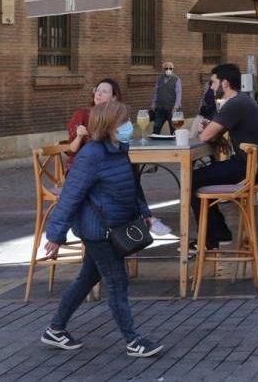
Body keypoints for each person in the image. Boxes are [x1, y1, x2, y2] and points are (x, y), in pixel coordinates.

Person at [40, 101, 163, 358]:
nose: (128, 126)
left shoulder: (120, 149)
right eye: (123, 122)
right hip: (98, 231)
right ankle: (133, 340)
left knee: (87, 277)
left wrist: (145, 212)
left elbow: (132, 185)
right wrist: (55, 234)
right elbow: (71, 195)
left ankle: (55, 328)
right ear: (109, 126)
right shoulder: (91, 155)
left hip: (115, 225)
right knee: (117, 282)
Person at [64, 79, 171, 237]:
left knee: (127, 175)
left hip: (107, 167)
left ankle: (141, 221)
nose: (98, 93)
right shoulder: (83, 114)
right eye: (97, 90)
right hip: (82, 171)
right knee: (123, 179)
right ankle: (142, 221)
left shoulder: (117, 117)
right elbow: (71, 150)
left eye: (104, 91)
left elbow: (124, 141)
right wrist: (80, 136)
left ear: (114, 97)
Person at [195, 63, 258, 249]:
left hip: (252, 168)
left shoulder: (235, 104)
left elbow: (204, 136)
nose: (211, 87)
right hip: (255, 165)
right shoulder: (243, 100)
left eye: (213, 82)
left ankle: (210, 239)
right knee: (201, 177)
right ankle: (219, 233)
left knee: (193, 179)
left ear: (225, 83)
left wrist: (206, 128)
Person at [148, 61, 182, 135]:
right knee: (156, 128)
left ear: (173, 69)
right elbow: (156, 92)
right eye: (166, 68)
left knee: (174, 129)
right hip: (160, 108)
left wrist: (175, 107)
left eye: (170, 68)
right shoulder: (160, 79)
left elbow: (178, 94)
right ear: (164, 69)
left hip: (171, 109)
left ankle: (175, 145)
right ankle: (155, 144)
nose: (168, 70)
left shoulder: (176, 79)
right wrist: (153, 103)